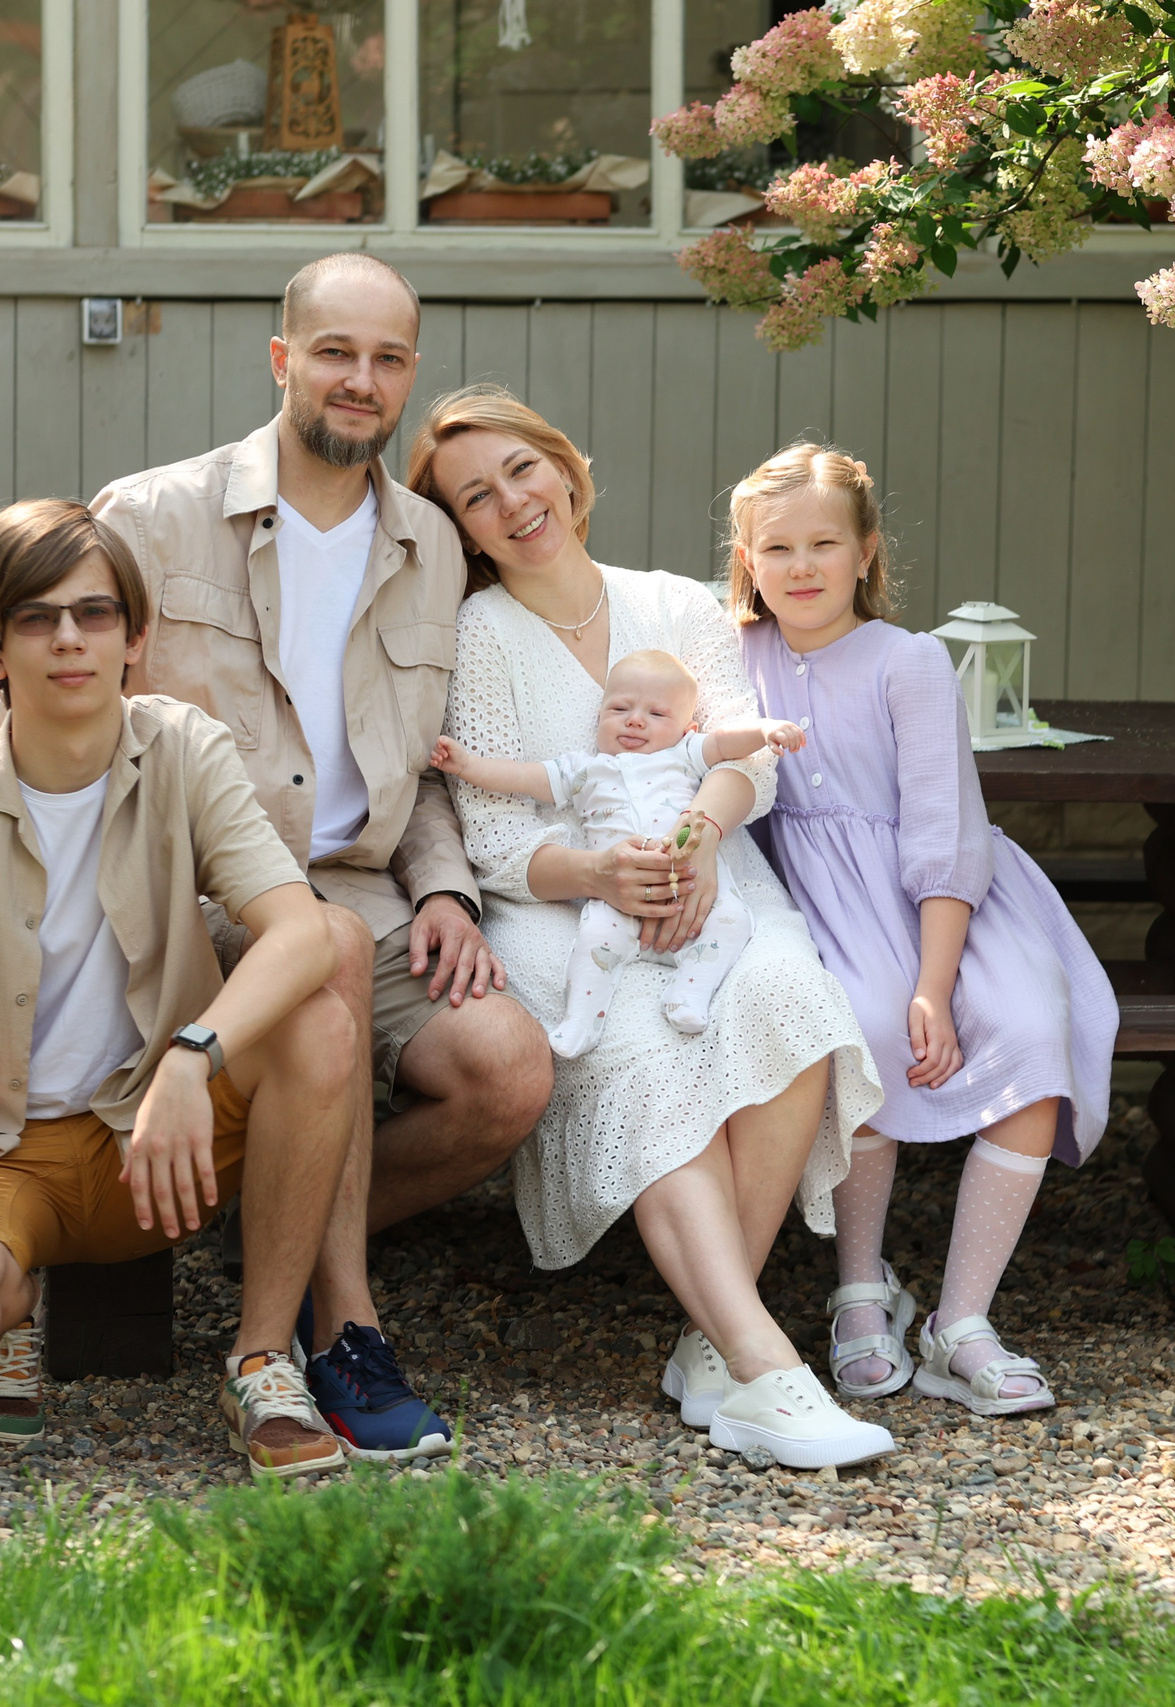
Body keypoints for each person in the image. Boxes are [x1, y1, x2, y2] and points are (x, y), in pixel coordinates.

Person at [0, 254, 551, 1461]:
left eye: (387, 359)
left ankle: (270, 1215)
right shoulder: (155, 512)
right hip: (184, 882)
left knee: (506, 1071)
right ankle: (338, 1330)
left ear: (409, 376)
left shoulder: (433, 548)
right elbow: (39, 643)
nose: (360, 379)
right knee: (325, 955)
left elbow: (423, 760)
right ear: (284, 359)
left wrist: (444, 885)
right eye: (334, 352)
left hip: (359, 881)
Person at [409, 384, 894, 1471]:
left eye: (522, 470)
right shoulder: (477, 634)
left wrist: (698, 840)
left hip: (713, 875)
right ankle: (766, 1367)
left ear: (565, 470)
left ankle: (711, 1348)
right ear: (462, 530)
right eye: (476, 496)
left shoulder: (675, 603)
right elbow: (495, 833)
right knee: (639, 1043)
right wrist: (601, 874)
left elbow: (746, 753)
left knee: (786, 997)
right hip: (561, 909)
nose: (512, 503)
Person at [0, 498, 364, 1478]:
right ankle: (7, 1310)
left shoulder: (183, 748)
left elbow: (302, 930)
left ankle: (262, 1359)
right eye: (37, 617)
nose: (69, 639)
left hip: (158, 1138)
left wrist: (193, 1057)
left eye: (94, 614)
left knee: (320, 1021)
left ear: (135, 638)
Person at [728, 443, 1119, 1418]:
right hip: (819, 900)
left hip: (945, 903)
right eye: (777, 548)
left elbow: (944, 831)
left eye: (825, 543)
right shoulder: (734, 656)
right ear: (746, 560)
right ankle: (861, 1288)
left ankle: (961, 1320)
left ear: (866, 551)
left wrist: (935, 986)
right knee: (858, 1024)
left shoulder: (908, 660)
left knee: (1027, 1025)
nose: (802, 567)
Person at [427, 649, 805, 1056]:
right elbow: (522, 776)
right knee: (593, 938)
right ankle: (581, 1020)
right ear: (599, 717)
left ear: (686, 729)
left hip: (691, 892)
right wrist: (467, 765)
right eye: (620, 708)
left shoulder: (683, 753)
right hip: (618, 898)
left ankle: (689, 992)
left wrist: (764, 730)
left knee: (733, 921)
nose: (635, 720)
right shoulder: (584, 770)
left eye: (656, 714)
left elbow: (726, 741)